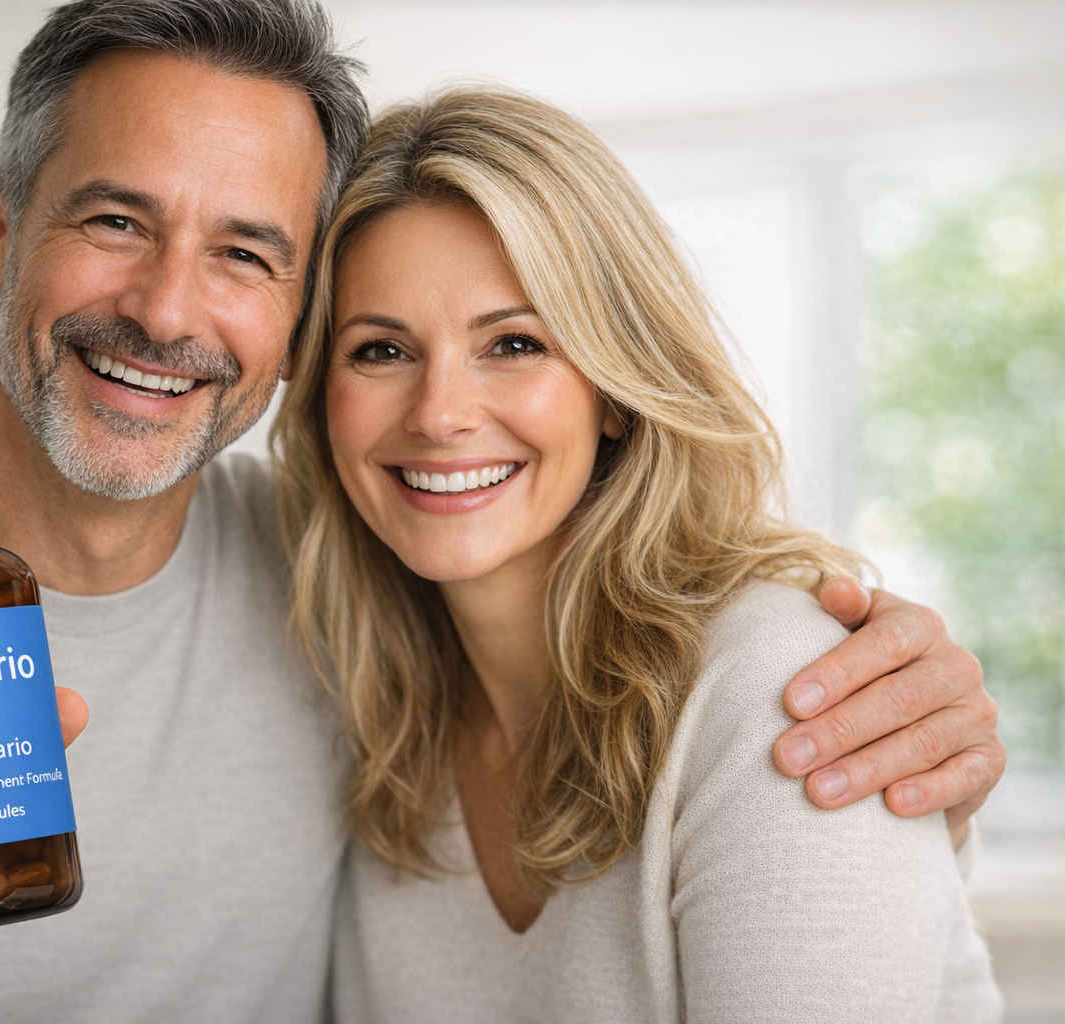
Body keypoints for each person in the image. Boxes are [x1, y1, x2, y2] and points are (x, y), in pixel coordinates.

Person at [0, 3, 1000, 1022]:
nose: (169, 310)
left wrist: (891, 701)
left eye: (245, 252)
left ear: (289, 321)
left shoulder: (351, 583)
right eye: (116, 219)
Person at [272, 87, 1002, 1022]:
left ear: (614, 390)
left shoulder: (785, 690)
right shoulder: (374, 717)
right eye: (380, 351)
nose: (440, 414)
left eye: (515, 343)